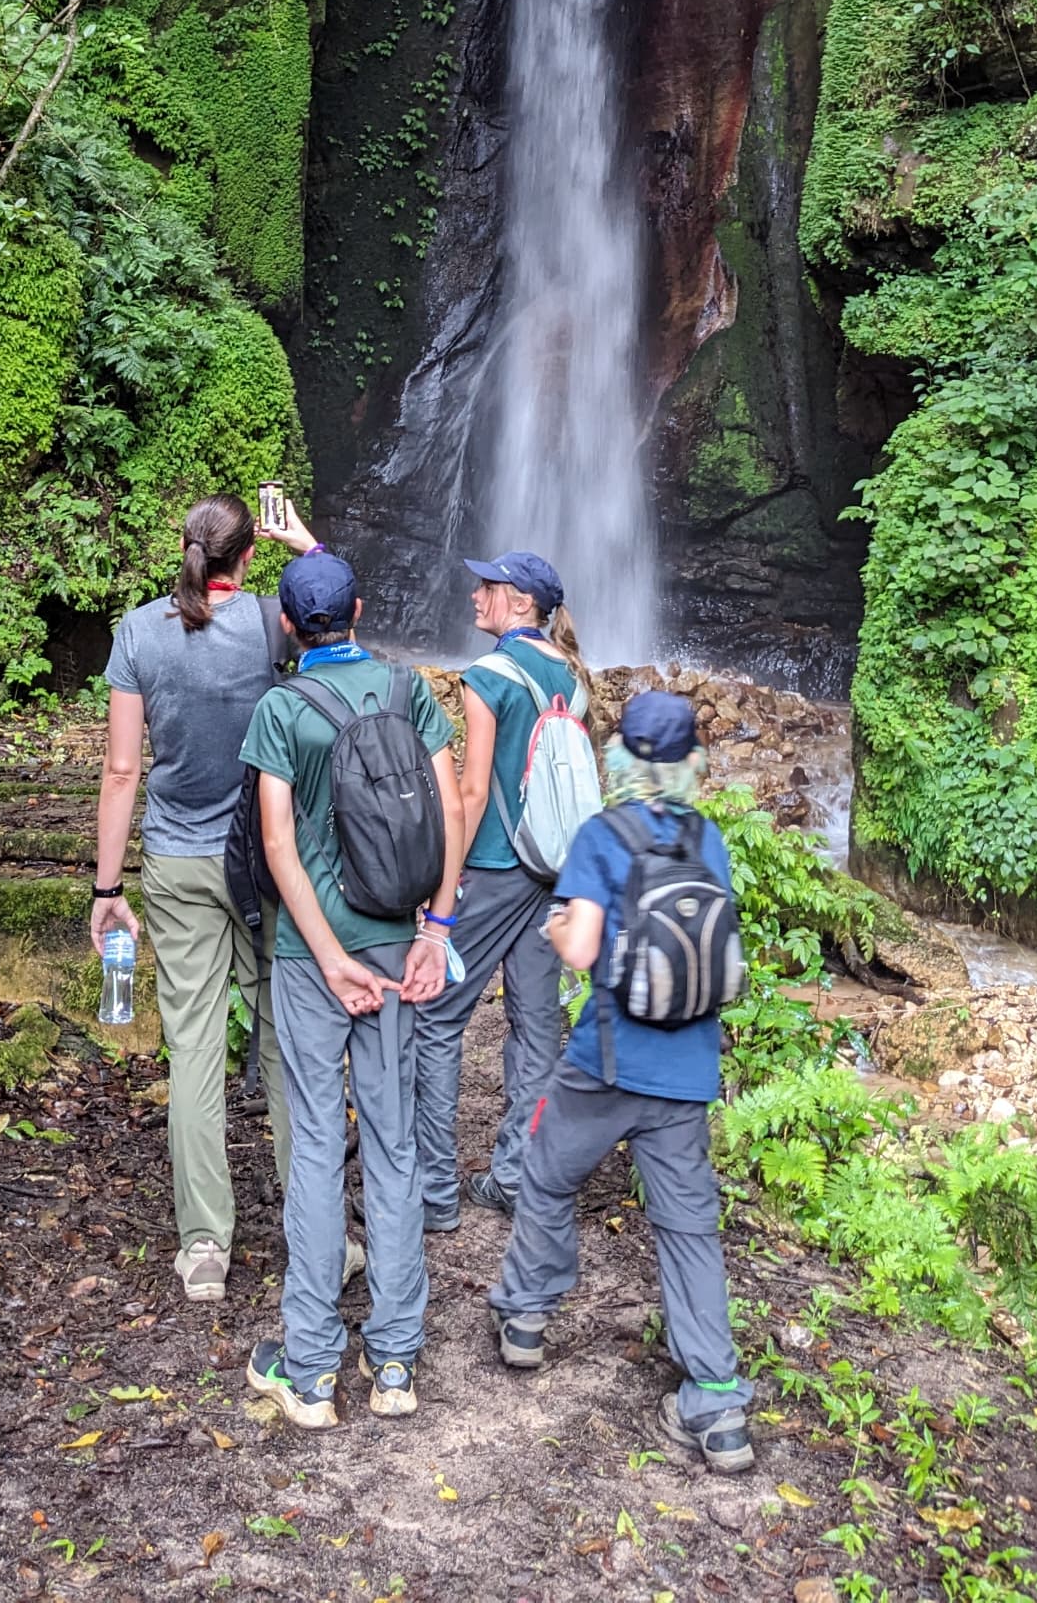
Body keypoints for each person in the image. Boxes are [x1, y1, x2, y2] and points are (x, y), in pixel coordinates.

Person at [489, 689, 756, 1476]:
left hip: (608, 1061)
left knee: (544, 1167)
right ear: (689, 767)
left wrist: (559, 924)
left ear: (619, 759)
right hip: (687, 1068)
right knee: (687, 1227)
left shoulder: (603, 836)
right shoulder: (708, 840)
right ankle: (717, 1401)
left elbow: (580, 949)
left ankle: (527, 1320)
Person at [239, 551, 463, 1428]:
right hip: (398, 947)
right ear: (361, 611)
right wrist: (434, 934)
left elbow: (279, 848)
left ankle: (311, 1369)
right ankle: (396, 1362)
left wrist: (329, 956)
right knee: (396, 1145)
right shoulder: (409, 691)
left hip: (311, 959)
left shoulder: (280, 708)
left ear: (290, 626)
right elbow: (451, 811)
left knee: (314, 1151)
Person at [89, 491, 324, 1302]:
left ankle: (203, 1247)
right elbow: (339, 626)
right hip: (268, 861)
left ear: (184, 548)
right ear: (249, 554)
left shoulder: (139, 633)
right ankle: (314, 1230)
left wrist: (106, 884)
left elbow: (122, 771)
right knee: (285, 1041)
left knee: (191, 1046)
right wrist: (306, 542)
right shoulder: (271, 625)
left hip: (180, 862)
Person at [414, 550, 590, 1229]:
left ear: (520, 603)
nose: (473, 596)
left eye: (486, 587)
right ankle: (517, 1175)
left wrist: (443, 891)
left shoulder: (489, 675)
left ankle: (433, 1191)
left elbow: (474, 789)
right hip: (552, 871)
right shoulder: (573, 680)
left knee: (437, 1019)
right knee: (538, 1028)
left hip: (492, 869)